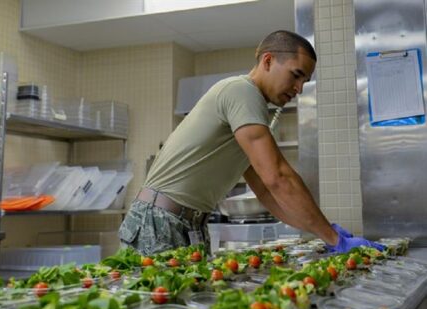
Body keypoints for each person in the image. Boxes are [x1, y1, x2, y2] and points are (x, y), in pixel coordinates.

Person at [119, 30, 384, 256]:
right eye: (296, 75)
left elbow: (267, 193)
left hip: (190, 225)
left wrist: (322, 230)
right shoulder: (241, 91)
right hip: (159, 220)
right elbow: (277, 176)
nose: (299, 88)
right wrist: (334, 239)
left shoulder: (251, 113)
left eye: (305, 81)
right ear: (268, 60)